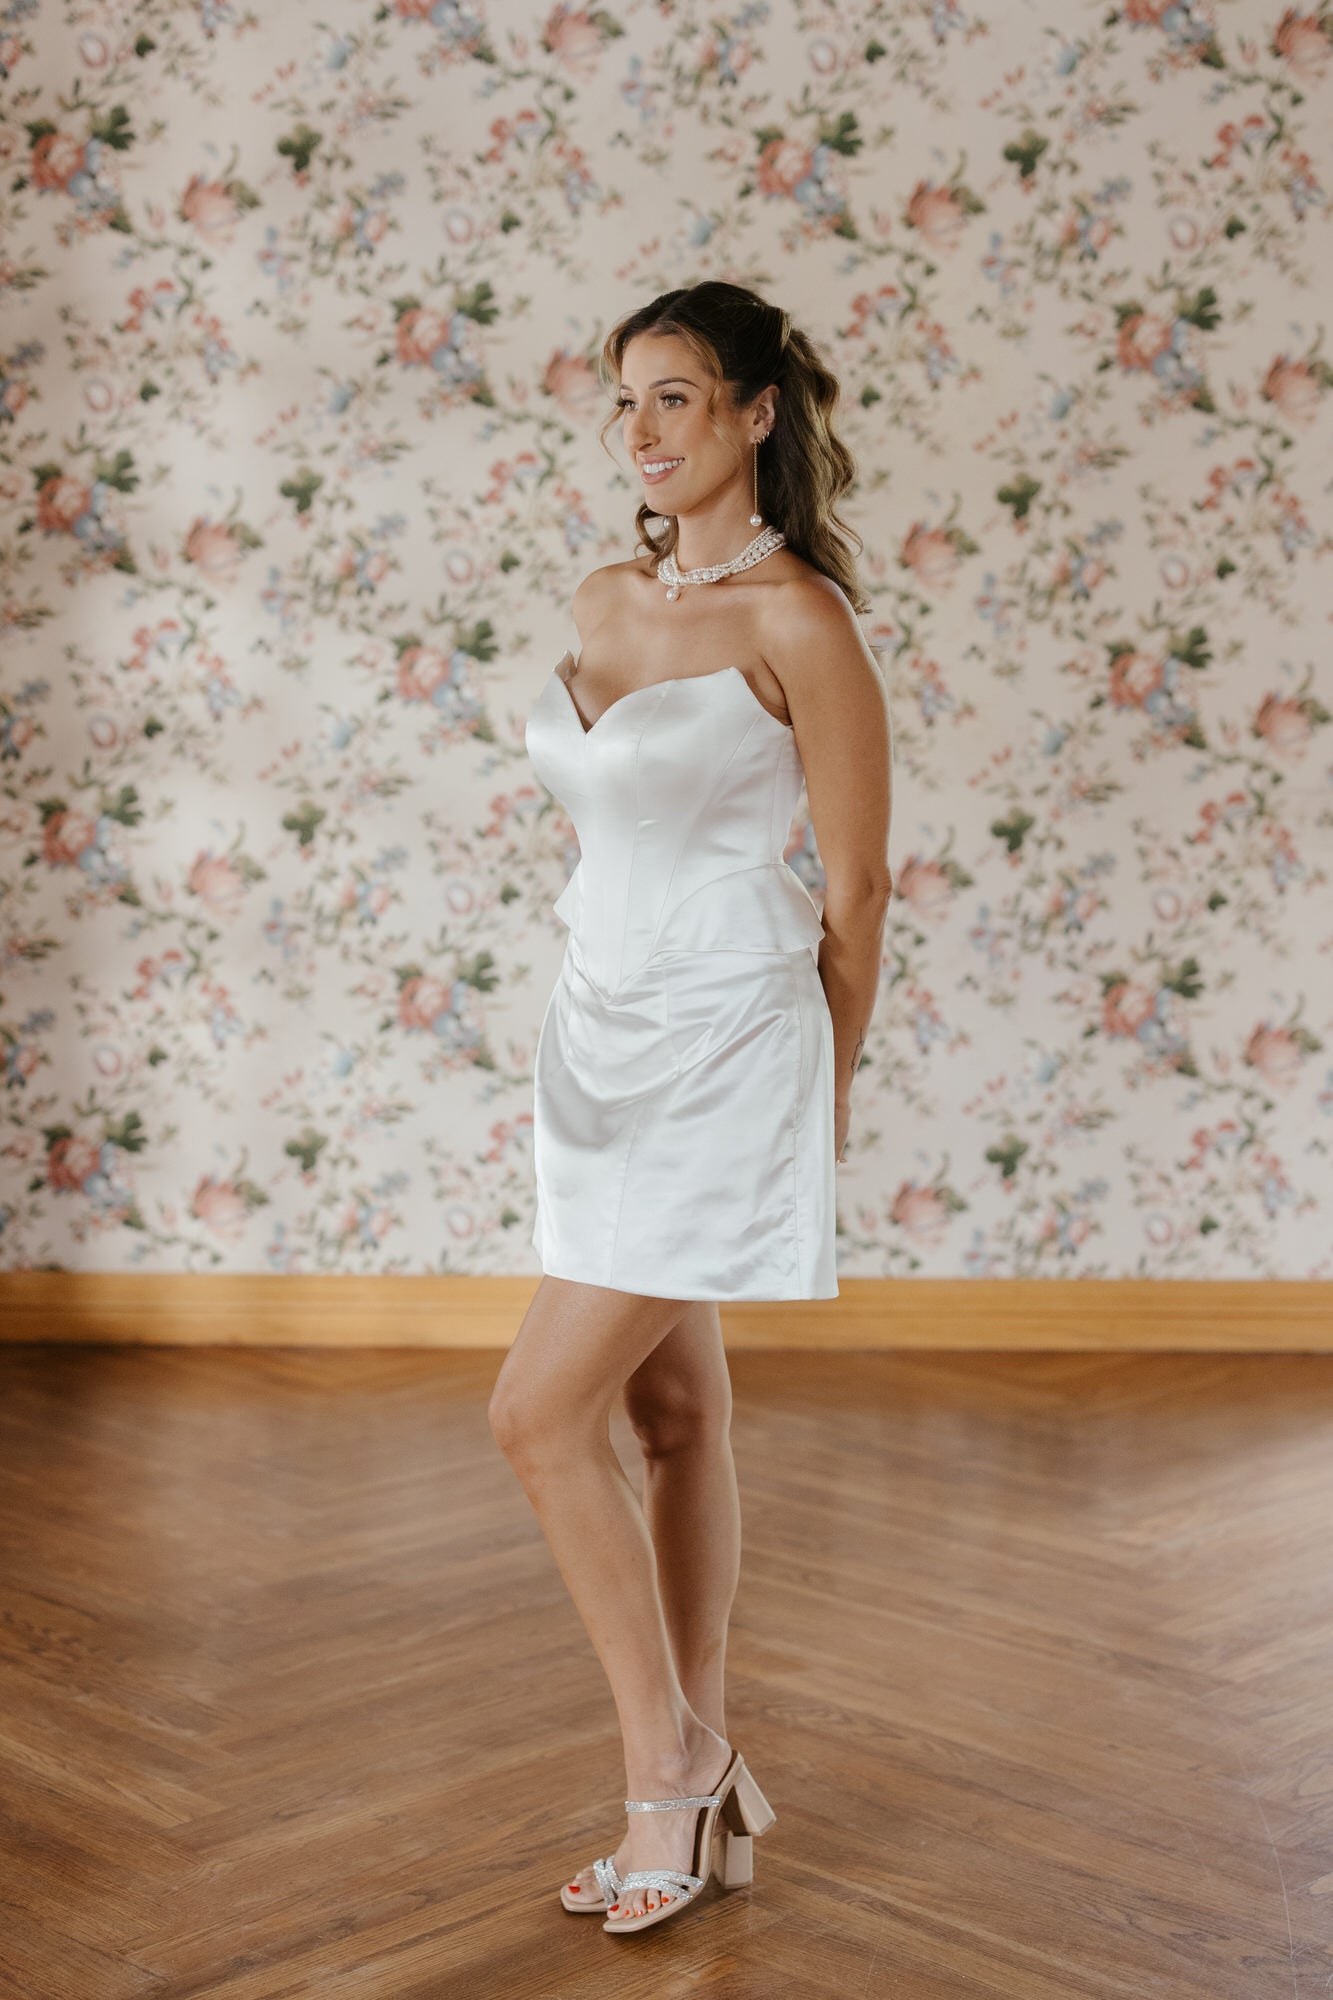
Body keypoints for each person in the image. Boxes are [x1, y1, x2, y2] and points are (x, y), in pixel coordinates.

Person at [488, 280, 894, 1936]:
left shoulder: (801, 623)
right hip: (595, 1033)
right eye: (625, 404)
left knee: (532, 1416)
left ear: (755, 416)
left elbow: (857, 891)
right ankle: (710, 1771)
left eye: (677, 399)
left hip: (732, 1043)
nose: (644, 432)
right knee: (668, 1420)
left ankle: (664, 1766)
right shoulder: (599, 597)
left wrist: (829, 1096)